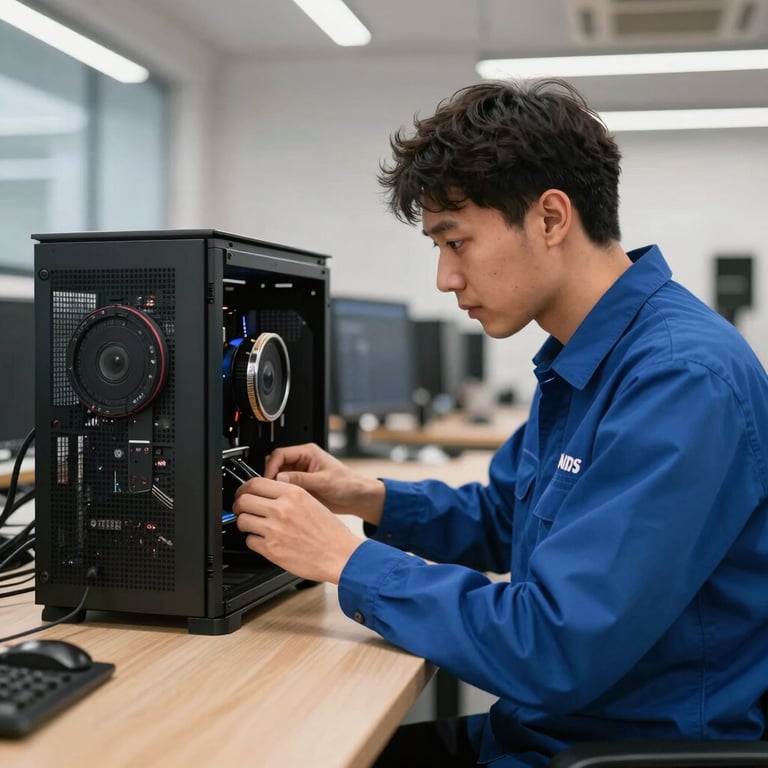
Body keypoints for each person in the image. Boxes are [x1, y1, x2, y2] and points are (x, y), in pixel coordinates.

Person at [232, 78, 768, 767]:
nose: (444, 279)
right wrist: (368, 499)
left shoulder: (679, 379)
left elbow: (554, 645)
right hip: (547, 733)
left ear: (550, 218)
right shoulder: (586, 357)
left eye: (455, 242)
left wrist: (347, 561)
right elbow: (508, 520)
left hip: (612, 751)